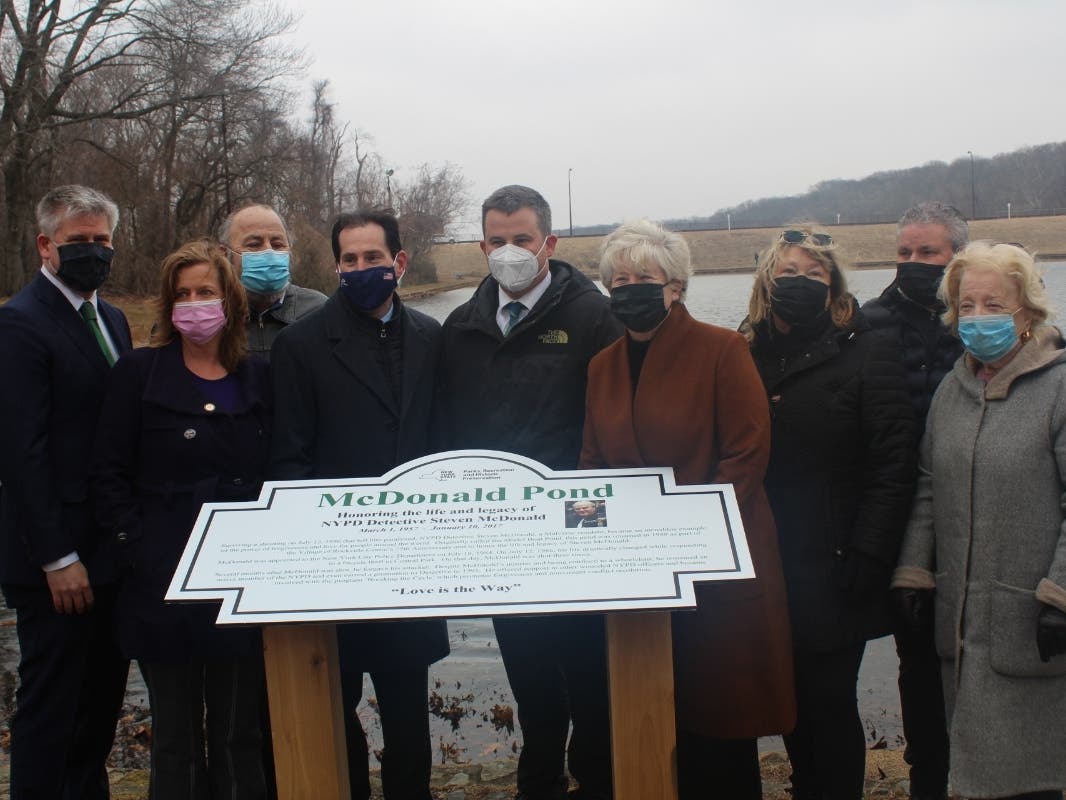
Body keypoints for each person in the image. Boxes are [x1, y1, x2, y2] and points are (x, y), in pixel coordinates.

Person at [579, 219, 795, 799]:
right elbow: (592, 464)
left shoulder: (723, 350)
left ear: (676, 285)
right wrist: (591, 538)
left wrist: (686, 534)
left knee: (720, 730)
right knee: (647, 715)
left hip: (716, 569)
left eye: (644, 277)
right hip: (636, 573)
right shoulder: (601, 366)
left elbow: (747, 454)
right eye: (619, 279)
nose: (630, 288)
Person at [437, 185, 622, 800]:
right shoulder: (462, 327)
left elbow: (613, 424)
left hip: (580, 528)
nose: (509, 251)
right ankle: (538, 781)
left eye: (522, 239)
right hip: (503, 538)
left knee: (593, 681)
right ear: (481, 243)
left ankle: (598, 781)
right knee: (532, 679)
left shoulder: (596, 318)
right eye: (497, 240)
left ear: (550, 243)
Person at [270, 209, 448, 800]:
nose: (361, 268)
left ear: (398, 262)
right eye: (350, 259)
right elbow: (290, 456)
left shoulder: (430, 336)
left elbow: (445, 442)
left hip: (412, 558)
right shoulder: (302, 345)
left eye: (373, 257)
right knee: (335, 700)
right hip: (336, 559)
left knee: (407, 709)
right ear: (337, 265)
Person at [91, 241, 271, 798]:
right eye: (183, 294)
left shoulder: (258, 376)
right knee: (174, 736)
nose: (195, 304)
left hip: (239, 584)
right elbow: (108, 473)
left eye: (206, 293)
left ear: (230, 301)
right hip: (159, 580)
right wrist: (136, 549)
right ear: (169, 305)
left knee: (239, 730)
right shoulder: (138, 373)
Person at [744, 226, 916, 800]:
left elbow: (893, 463)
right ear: (769, 280)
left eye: (814, 275)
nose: (800, 283)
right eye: (789, 272)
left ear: (835, 286)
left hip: (839, 562)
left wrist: (869, 550)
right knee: (787, 699)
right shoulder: (744, 352)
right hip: (765, 561)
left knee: (830, 699)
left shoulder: (867, 349)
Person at [892, 242, 1066, 800]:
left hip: (1032, 622)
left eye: (994, 305)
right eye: (966, 306)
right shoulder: (953, 389)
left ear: (1028, 312)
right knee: (966, 768)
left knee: (1031, 776)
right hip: (962, 626)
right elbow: (926, 487)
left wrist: (1062, 593)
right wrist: (914, 571)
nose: (976, 318)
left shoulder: (1060, 388)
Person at [0, 185, 132, 798]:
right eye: (78, 242)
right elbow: (22, 454)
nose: (93, 253)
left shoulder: (112, 319)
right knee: (52, 709)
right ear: (45, 246)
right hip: (58, 563)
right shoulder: (19, 324)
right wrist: (58, 557)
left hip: (109, 553)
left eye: (102, 241)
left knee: (99, 708)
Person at [862, 201, 968, 800]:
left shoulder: (986, 320)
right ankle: (928, 781)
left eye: (927, 252)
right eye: (905, 252)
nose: (913, 263)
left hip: (982, 518)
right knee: (919, 669)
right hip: (904, 525)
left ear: (956, 254)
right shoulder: (870, 322)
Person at [219, 203, 326, 358]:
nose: (268, 251)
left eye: (277, 244)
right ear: (224, 254)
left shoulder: (318, 311)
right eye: (254, 244)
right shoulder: (214, 318)